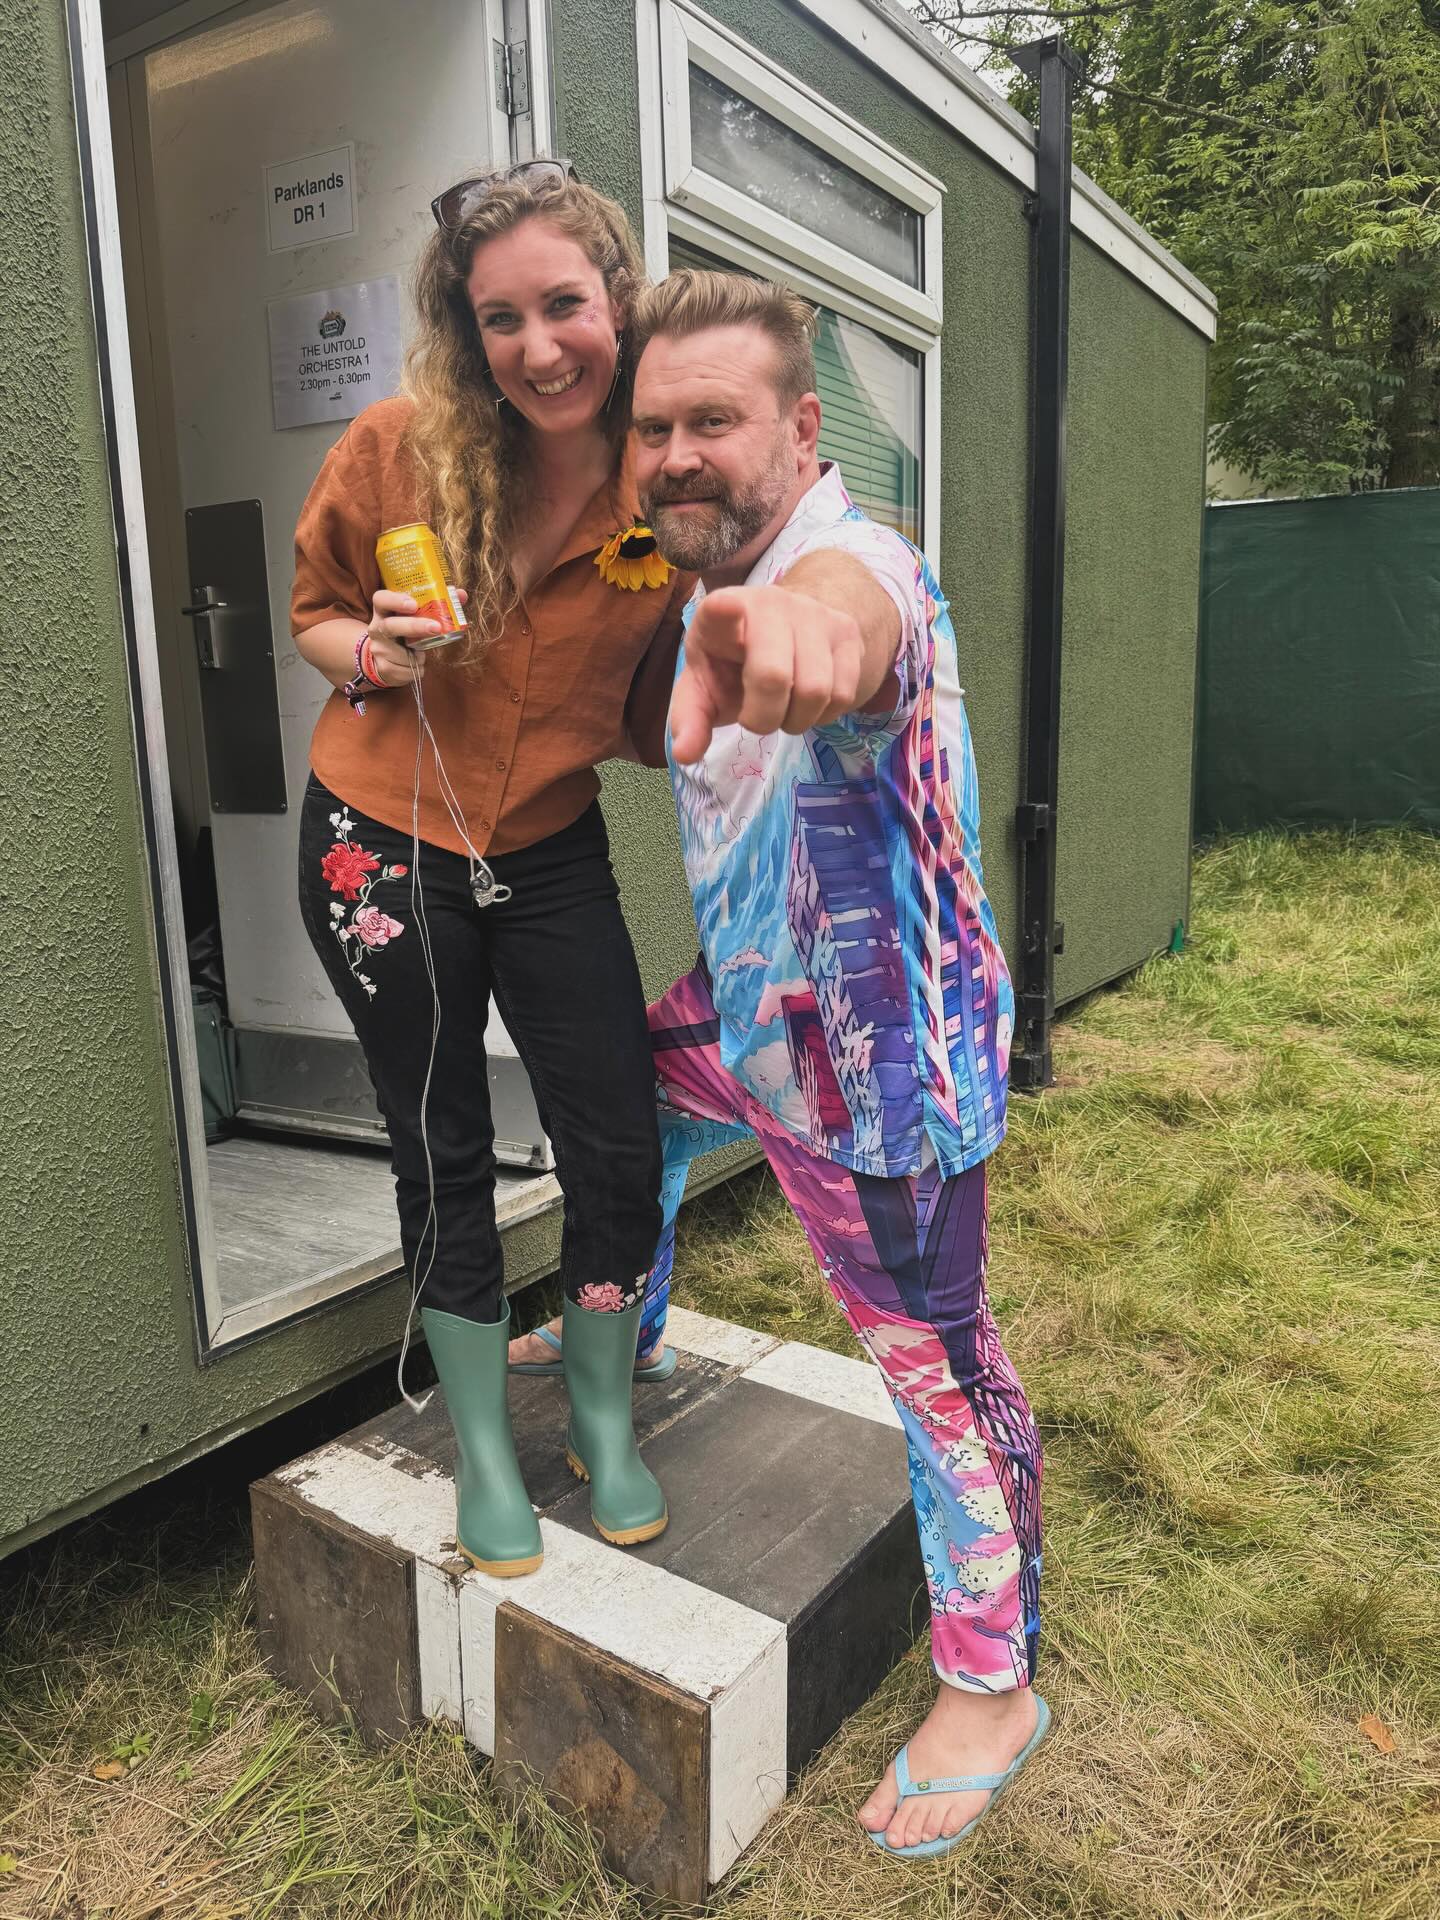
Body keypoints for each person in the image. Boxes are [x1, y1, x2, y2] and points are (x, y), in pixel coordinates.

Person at [631, 269, 1045, 1860]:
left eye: (713, 421)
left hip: (884, 1085)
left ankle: (994, 1683)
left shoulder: (852, 565)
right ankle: (630, 1310)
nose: (676, 453)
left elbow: (850, 625)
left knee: (940, 1378)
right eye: (655, 428)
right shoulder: (707, 558)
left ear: (804, 432)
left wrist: (812, 639)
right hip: (749, 1025)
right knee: (633, 1100)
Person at [291, 162, 687, 1578]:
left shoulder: (667, 481)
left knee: (617, 1142)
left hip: (549, 841)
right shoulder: (399, 446)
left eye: (564, 305)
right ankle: (478, 1448)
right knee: (440, 1140)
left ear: (618, 298)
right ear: (468, 331)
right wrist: (372, 651)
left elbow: (661, 701)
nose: (539, 348)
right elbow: (316, 615)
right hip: (378, 839)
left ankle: (598, 1406)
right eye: (499, 318)